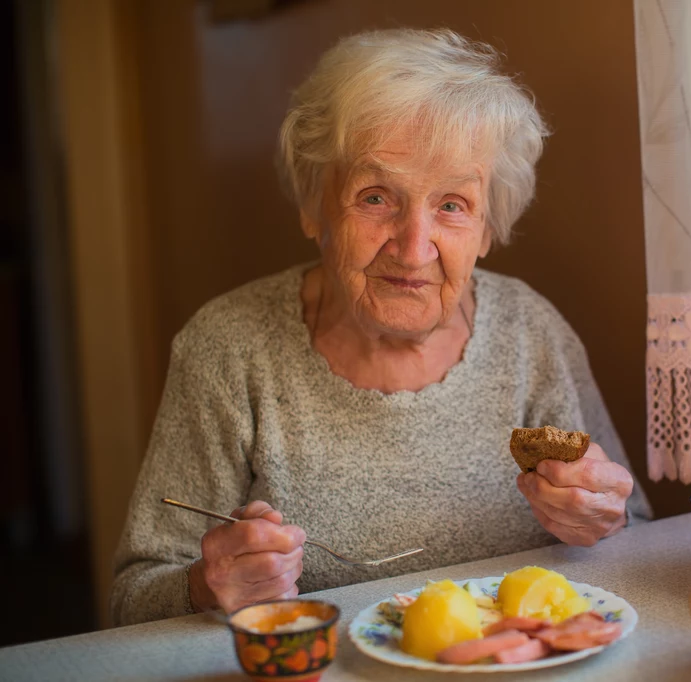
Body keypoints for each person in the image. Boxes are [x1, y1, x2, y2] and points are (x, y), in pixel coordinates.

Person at [111, 27, 650, 626]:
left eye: (452, 205)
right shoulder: (228, 348)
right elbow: (133, 601)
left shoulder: (531, 331)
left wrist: (603, 521)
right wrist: (208, 585)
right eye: (375, 198)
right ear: (315, 207)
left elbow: (635, 535)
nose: (414, 248)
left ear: (488, 228)